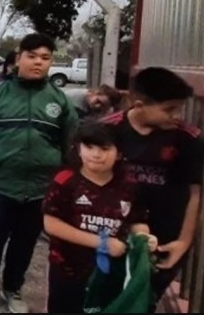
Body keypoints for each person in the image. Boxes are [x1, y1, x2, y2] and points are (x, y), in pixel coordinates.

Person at [0, 33, 79, 313]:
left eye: (45, 58)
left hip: (40, 189)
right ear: (19, 57)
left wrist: (62, 182)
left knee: (24, 244)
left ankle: (13, 288)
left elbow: (70, 144)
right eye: (32, 56)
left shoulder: (59, 101)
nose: (38, 62)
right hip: (0, 185)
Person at [100, 67, 204, 313]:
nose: (177, 116)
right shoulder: (108, 130)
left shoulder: (188, 138)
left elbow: (195, 194)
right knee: (106, 298)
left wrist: (183, 242)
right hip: (114, 233)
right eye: (169, 109)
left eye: (179, 108)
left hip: (165, 239)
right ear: (139, 105)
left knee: (143, 302)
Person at [43, 121, 158, 313]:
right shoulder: (65, 181)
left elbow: (138, 220)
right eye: (89, 147)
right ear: (78, 149)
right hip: (68, 269)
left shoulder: (130, 185)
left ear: (119, 153)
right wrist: (101, 243)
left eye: (105, 148)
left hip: (113, 272)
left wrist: (143, 237)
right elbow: (51, 224)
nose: (96, 155)